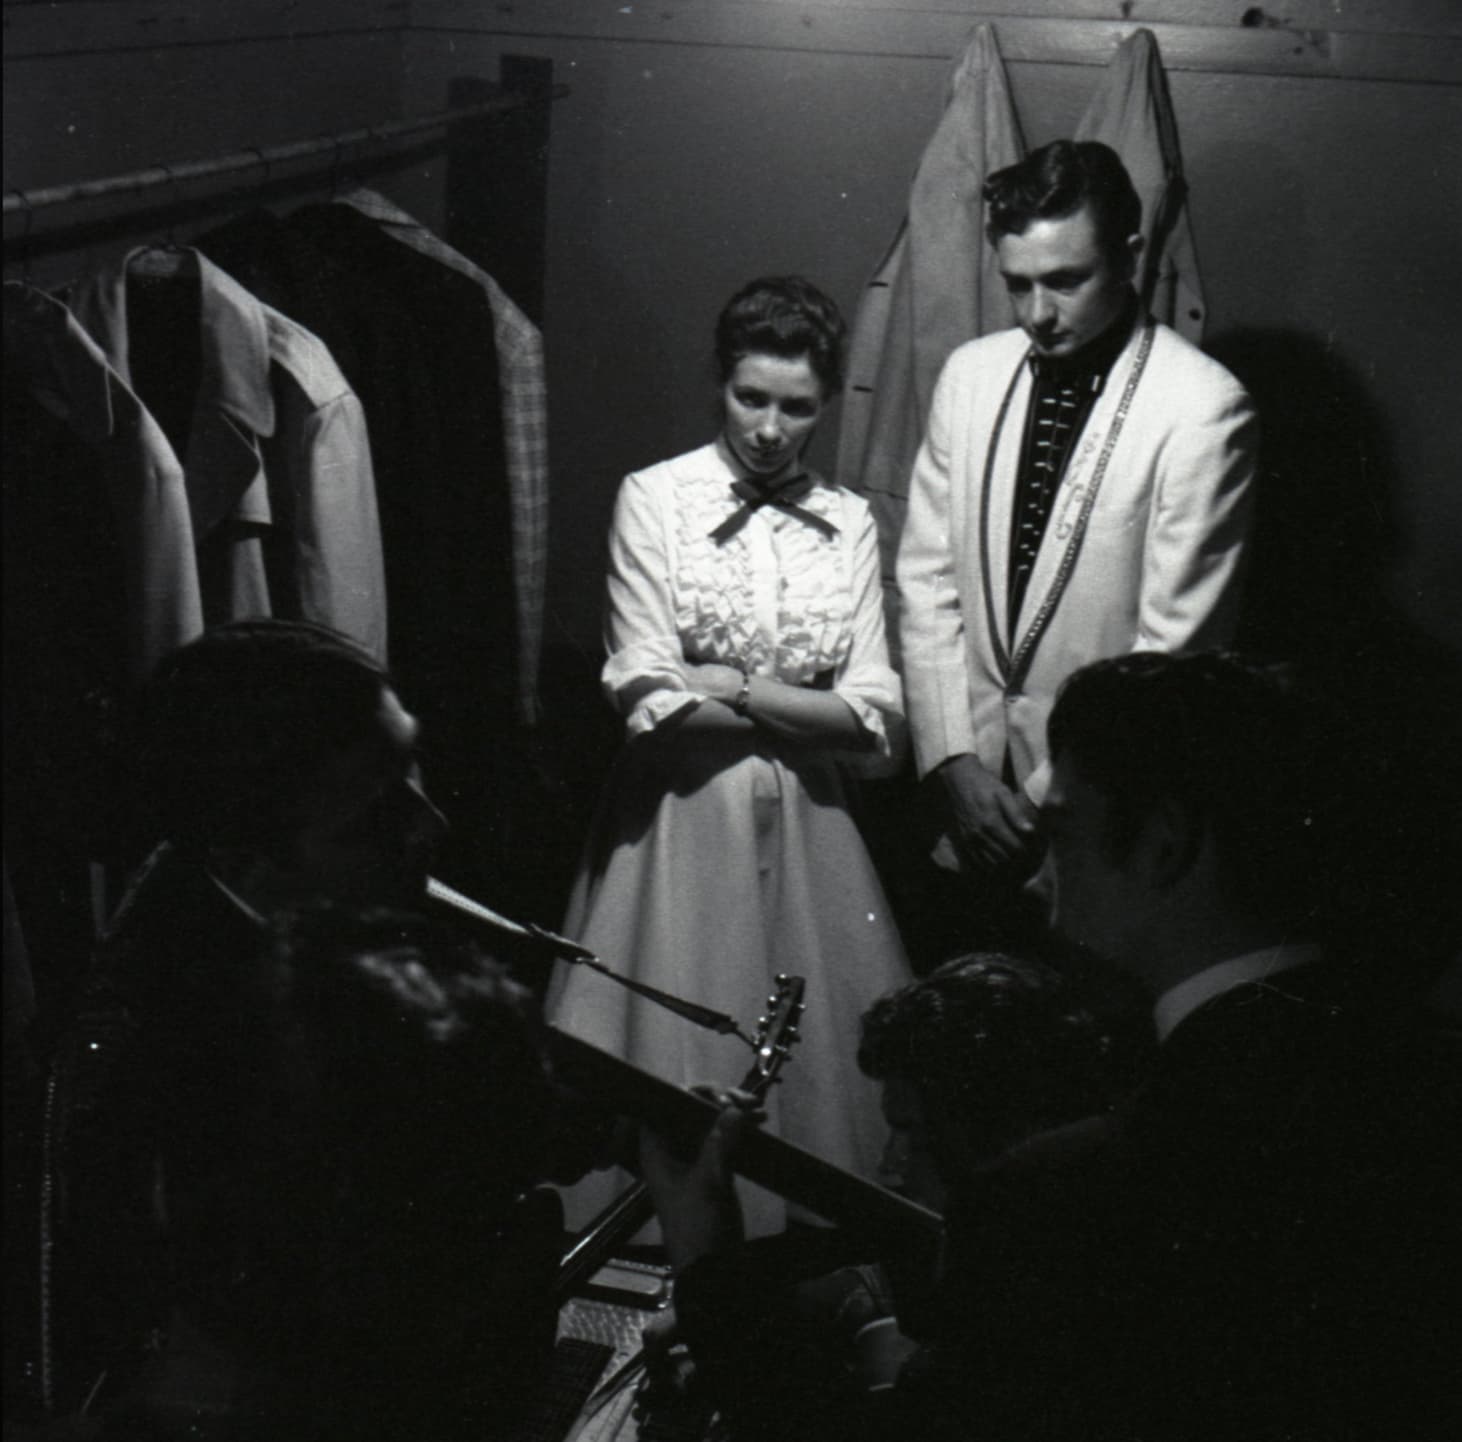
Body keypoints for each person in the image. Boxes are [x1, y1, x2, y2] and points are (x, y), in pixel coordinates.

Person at [546, 276, 911, 1234]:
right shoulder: (656, 497)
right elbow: (651, 701)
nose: (770, 428)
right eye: (752, 398)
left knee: (816, 1089)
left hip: (811, 831)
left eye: (797, 407)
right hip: (678, 821)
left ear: (826, 404)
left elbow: (875, 716)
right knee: (671, 1046)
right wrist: (804, 709)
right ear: (721, 385)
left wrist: (738, 690)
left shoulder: (851, 520)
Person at [43, 618, 451, 1418]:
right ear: (240, 854)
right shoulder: (174, 1055)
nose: (433, 826)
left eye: (414, 767)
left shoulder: (296, 923)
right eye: (373, 811)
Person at [896, 140, 1257, 945]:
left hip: (1099, 819)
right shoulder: (969, 375)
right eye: (1016, 283)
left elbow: (1170, 654)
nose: (1036, 314)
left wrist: (1043, 798)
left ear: (1130, 256)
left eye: (1065, 280)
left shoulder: (1203, 409)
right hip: (957, 809)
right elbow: (925, 583)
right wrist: (953, 761)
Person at [636, 952, 1146, 1441]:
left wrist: (699, 1255)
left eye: (908, 1131)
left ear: (1004, 1135)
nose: (889, 1166)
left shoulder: (1041, 1329)